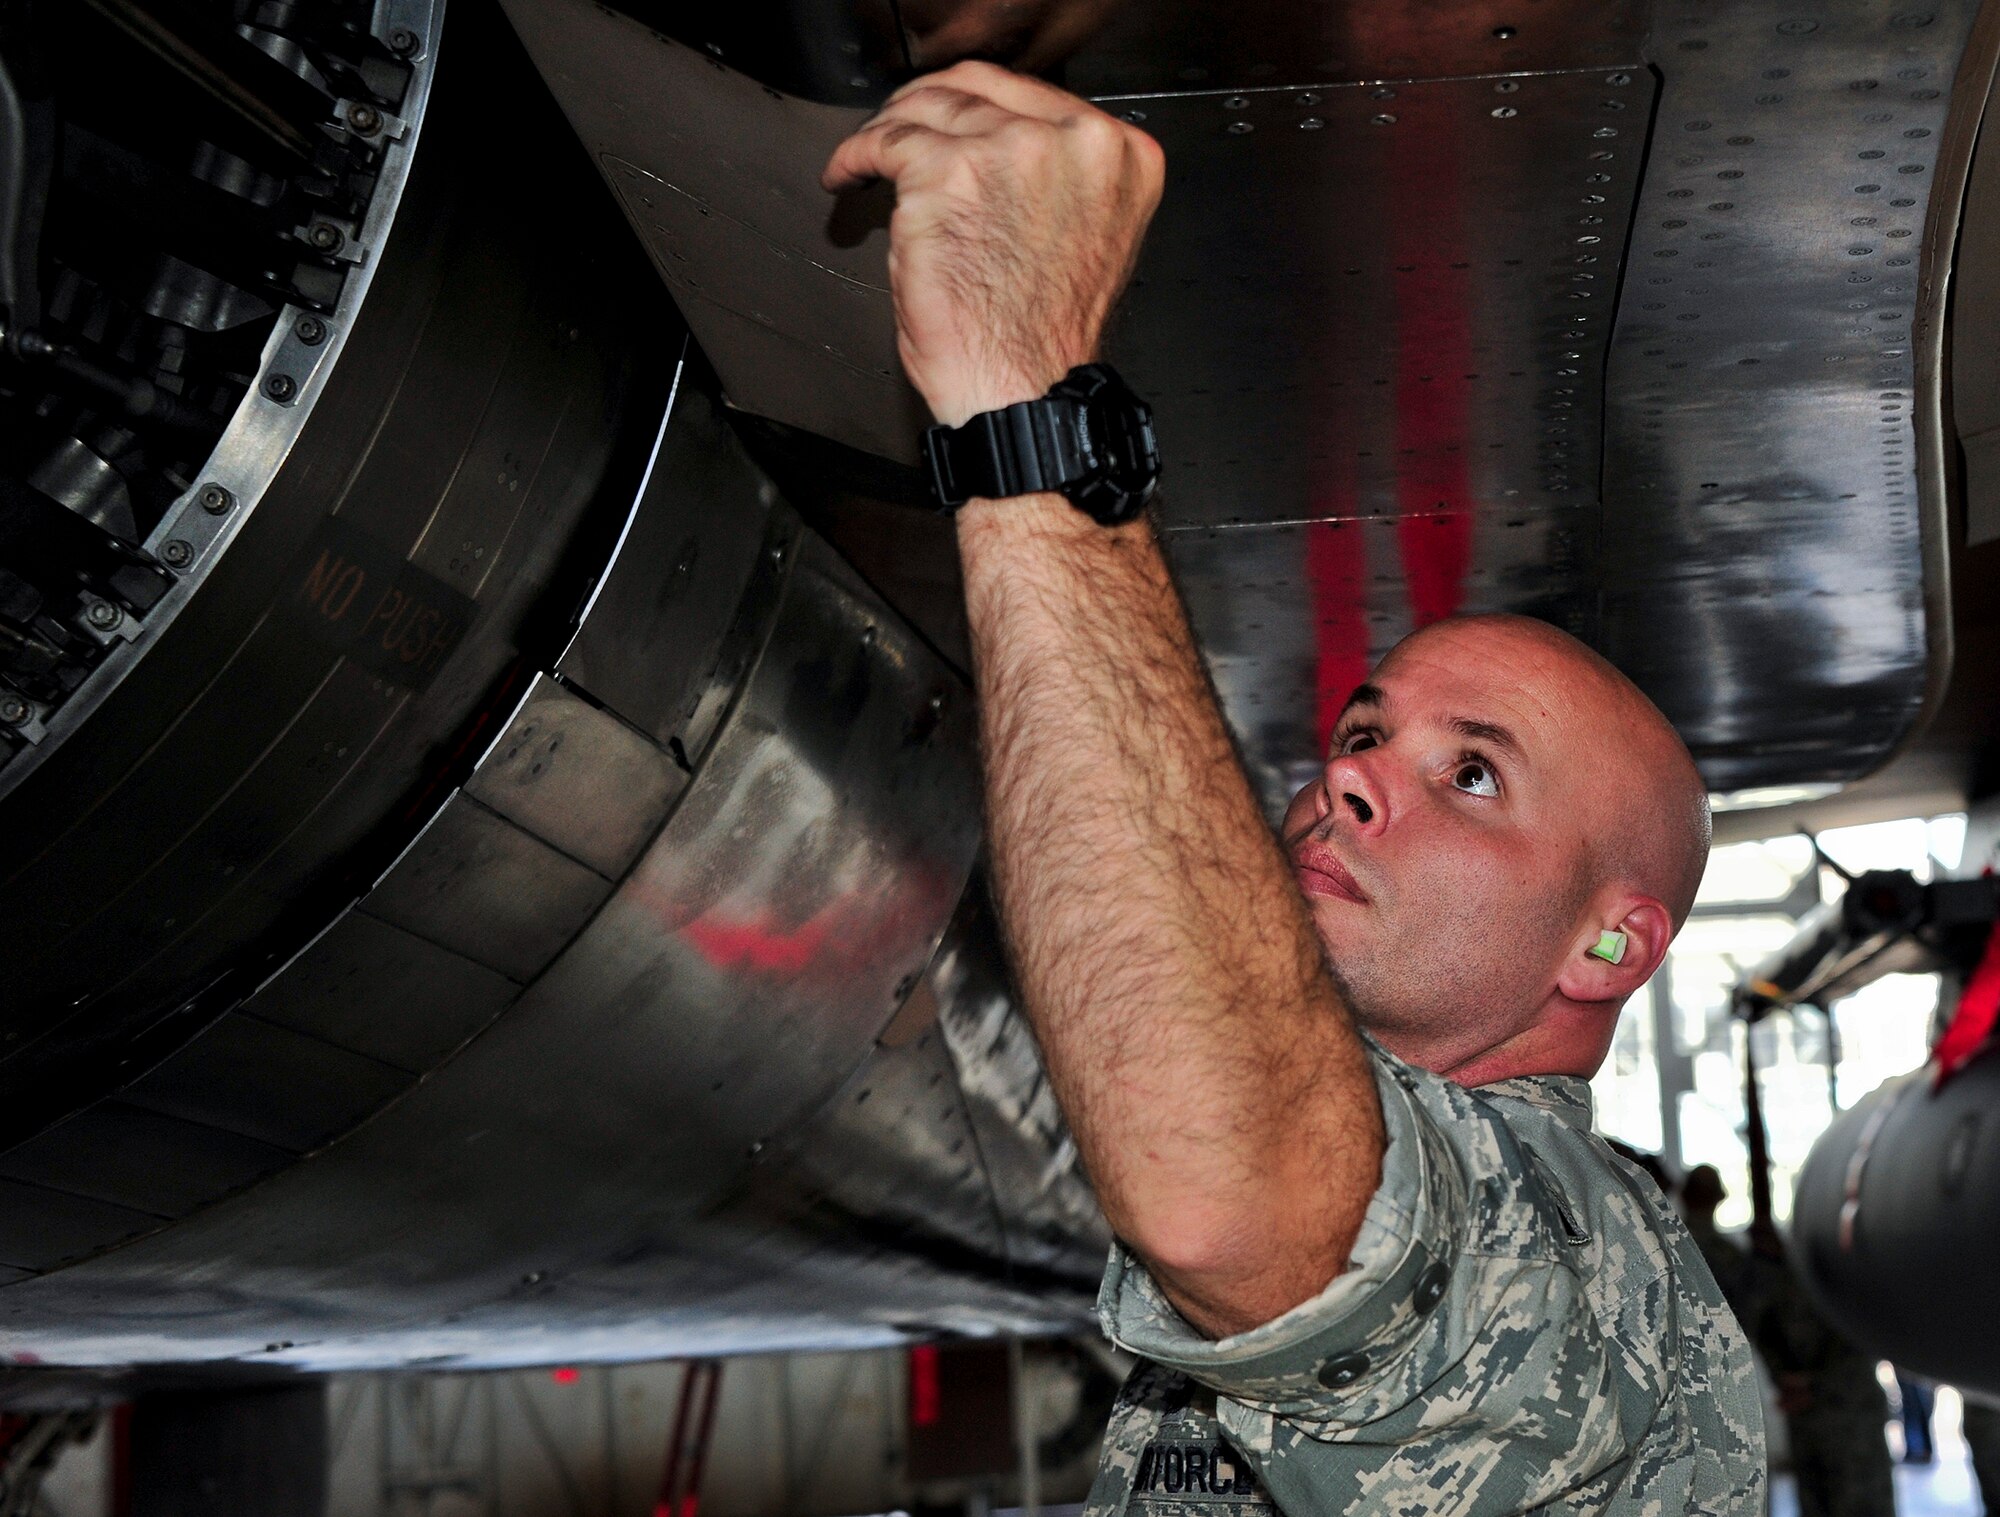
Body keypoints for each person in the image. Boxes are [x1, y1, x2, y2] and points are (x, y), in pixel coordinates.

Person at [823, 60, 1765, 1515]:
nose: (1354, 774)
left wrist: (1027, 406)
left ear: (1609, 942)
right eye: (1364, 730)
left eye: (1472, 772)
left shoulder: (1583, 1259)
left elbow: (1227, 1202)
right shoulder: (1336, 1203)